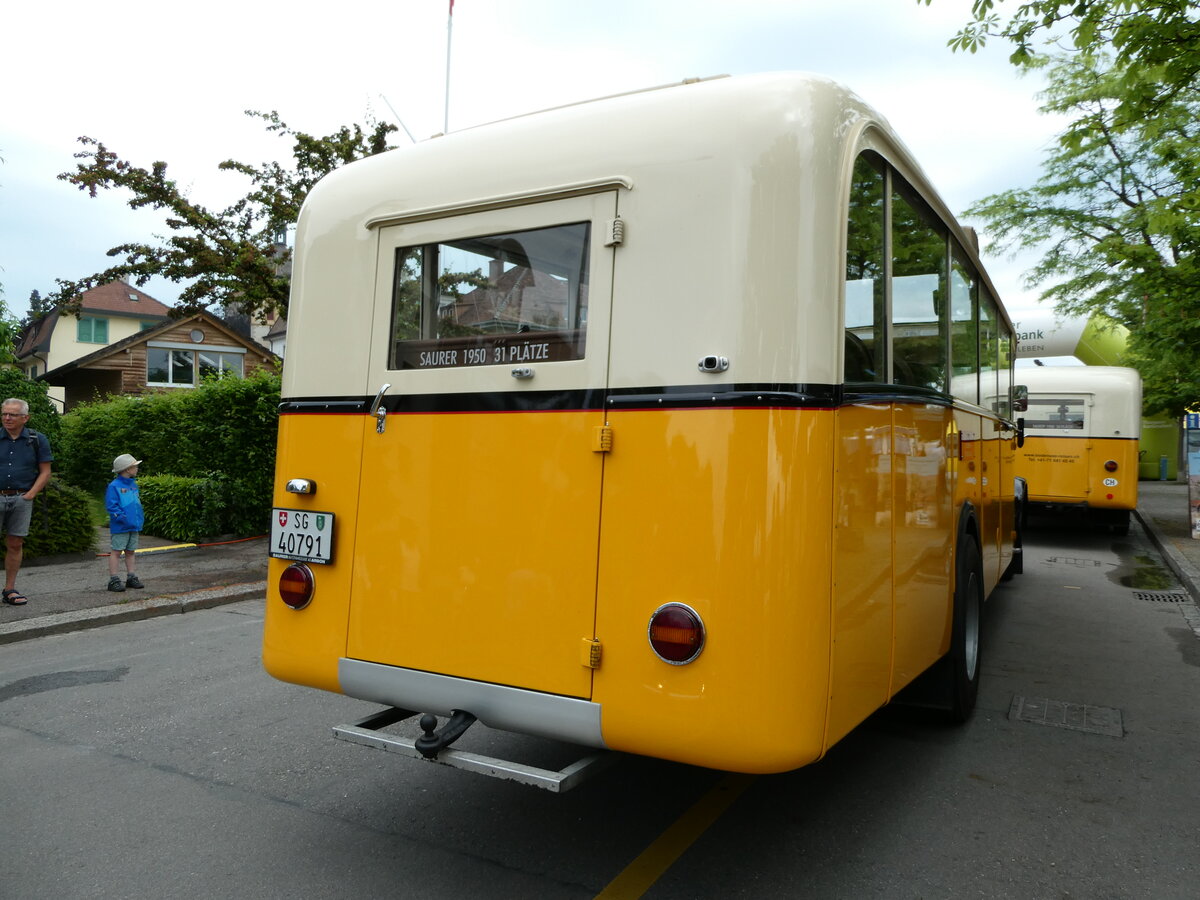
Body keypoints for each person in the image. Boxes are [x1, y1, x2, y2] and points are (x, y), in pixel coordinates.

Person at [0, 398, 52, 606]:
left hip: (21, 498)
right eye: (4, 414)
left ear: (25, 418)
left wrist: (30, 494)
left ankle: (9, 589)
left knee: (15, 543)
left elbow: (45, 471)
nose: (7, 418)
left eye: (12, 414)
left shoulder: (37, 439)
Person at [105, 453, 145, 592]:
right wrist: (123, 519)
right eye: (135, 466)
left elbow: (136, 504)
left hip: (134, 525)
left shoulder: (133, 485)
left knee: (130, 551)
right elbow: (112, 506)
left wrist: (138, 519)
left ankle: (131, 577)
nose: (137, 468)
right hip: (121, 526)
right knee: (116, 551)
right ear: (127, 469)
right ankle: (114, 579)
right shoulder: (114, 486)